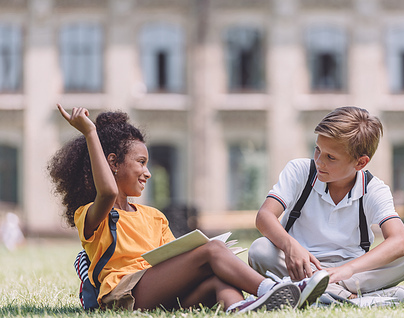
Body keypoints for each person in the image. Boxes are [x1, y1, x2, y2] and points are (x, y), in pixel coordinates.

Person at [48, 105, 329, 313]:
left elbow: (171, 259)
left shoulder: (154, 216)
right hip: (125, 295)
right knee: (213, 251)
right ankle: (273, 290)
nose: (147, 172)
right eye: (141, 162)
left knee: (219, 281)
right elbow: (108, 191)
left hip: (158, 289)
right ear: (113, 163)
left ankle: (244, 308)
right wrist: (90, 133)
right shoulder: (90, 213)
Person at [248, 106, 404, 304]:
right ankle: (357, 298)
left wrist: (348, 270)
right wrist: (290, 245)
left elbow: (400, 241)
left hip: (354, 274)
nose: (319, 162)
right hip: (301, 267)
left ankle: (326, 293)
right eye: (317, 149)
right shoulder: (299, 171)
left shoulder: (374, 189)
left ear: (360, 163)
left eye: (331, 157)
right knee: (260, 250)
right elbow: (265, 216)